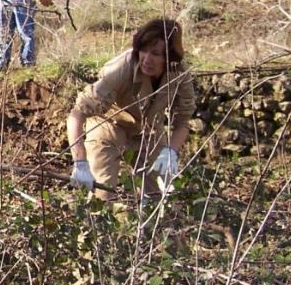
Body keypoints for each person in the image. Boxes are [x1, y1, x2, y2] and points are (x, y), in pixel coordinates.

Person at [66, 18, 196, 201]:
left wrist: (171, 152)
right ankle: (98, 226)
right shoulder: (122, 67)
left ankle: (152, 229)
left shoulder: (179, 73)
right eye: (143, 50)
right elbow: (77, 114)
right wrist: (80, 161)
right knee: (102, 194)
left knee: (158, 197)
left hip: (148, 132)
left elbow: (183, 120)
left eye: (156, 54)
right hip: (108, 129)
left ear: (170, 56)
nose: (147, 59)